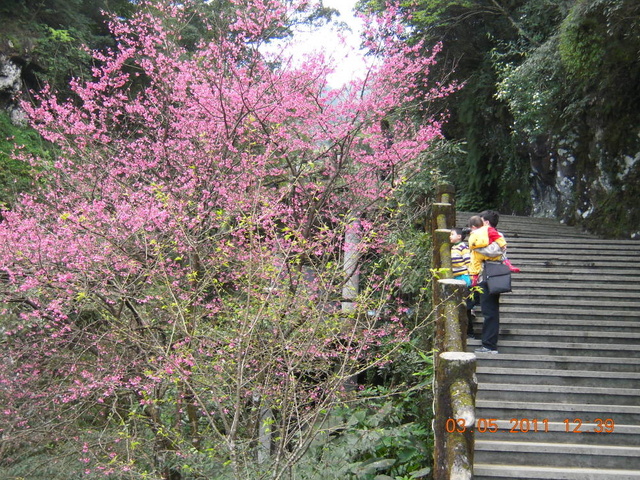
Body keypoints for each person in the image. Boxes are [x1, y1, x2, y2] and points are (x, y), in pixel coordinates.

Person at [467, 215, 505, 354]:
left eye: (482, 221)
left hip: (491, 276)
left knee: (490, 311)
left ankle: (489, 345)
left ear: (487, 222)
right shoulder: (482, 235)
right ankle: (487, 343)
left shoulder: (496, 235)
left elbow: (496, 251)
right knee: (485, 309)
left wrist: (475, 248)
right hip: (483, 276)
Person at [449, 227, 476, 338]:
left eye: (452, 234)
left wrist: (470, 278)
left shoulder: (463, 247)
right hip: (456, 278)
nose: (450, 236)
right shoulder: (453, 247)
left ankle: (469, 332)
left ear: (459, 236)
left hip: (464, 278)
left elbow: (469, 262)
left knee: (465, 305)